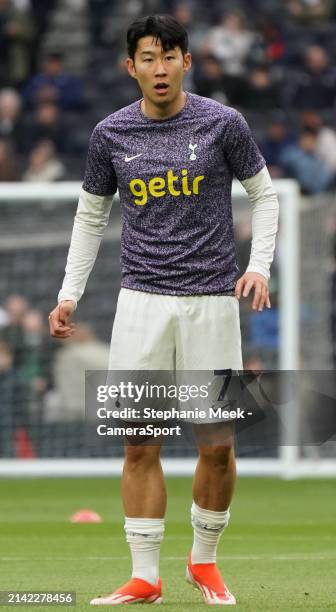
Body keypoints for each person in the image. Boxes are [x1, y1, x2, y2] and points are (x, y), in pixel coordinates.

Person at [49, 14, 279, 606]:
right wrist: (67, 294)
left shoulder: (224, 123)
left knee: (218, 444)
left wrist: (259, 267)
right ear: (131, 66)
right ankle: (145, 577)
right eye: (148, 58)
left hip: (212, 304)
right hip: (141, 306)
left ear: (187, 62)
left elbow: (266, 195)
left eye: (169, 56)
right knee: (138, 443)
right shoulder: (110, 135)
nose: (159, 68)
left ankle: (204, 564)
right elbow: (90, 216)